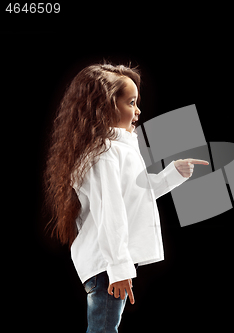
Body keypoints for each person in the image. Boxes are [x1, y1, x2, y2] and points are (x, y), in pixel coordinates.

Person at [44, 63, 209, 332]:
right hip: (106, 266)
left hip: (108, 264)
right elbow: (110, 212)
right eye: (131, 103)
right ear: (105, 106)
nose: (138, 111)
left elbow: (136, 196)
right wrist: (119, 270)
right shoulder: (104, 154)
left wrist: (173, 174)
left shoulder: (115, 149)